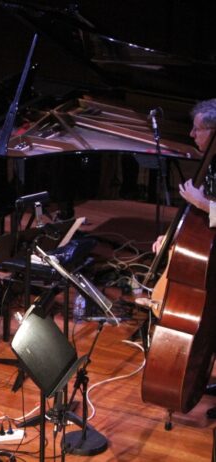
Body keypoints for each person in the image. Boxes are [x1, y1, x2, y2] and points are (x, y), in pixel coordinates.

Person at [149, 98, 216, 417]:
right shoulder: (211, 163)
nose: (191, 134)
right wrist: (172, 237)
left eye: (197, 129)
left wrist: (203, 204)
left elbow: (204, 208)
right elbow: (197, 219)